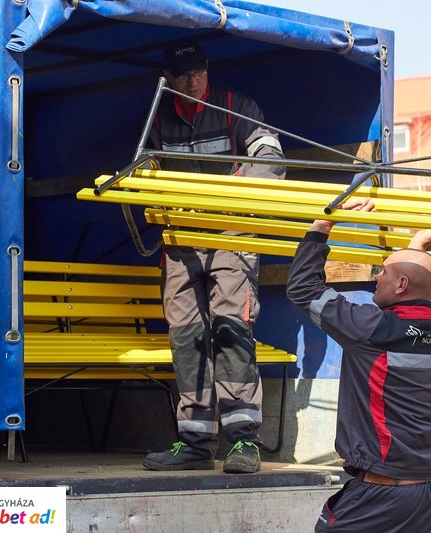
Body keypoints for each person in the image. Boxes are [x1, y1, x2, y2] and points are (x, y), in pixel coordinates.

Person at [142, 39, 285, 474]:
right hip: (180, 238)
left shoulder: (233, 106)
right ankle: (195, 441)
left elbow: (272, 157)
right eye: (184, 76)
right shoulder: (158, 116)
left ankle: (244, 443)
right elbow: (144, 167)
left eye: (200, 72)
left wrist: (235, 195)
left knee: (231, 326)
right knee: (186, 335)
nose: (194, 82)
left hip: (231, 232)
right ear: (167, 78)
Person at [286, 198, 431, 532]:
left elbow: (303, 289)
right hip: (429, 490)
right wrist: (417, 246)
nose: (375, 277)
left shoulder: (370, 329)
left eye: (382, 272)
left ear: (401, 285)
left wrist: (322, 225)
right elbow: (413, 294)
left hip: (381, 495)